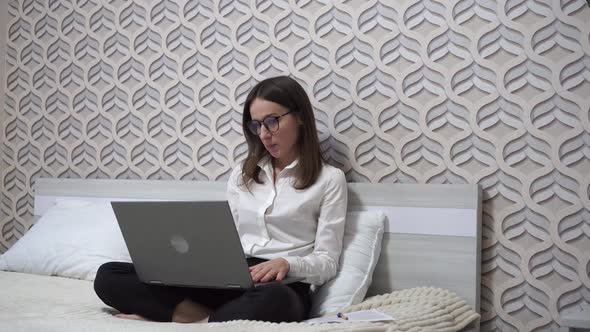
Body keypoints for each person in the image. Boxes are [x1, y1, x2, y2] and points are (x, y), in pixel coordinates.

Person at [93, 76, 348, 323]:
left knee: (276, 298)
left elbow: (327, 262)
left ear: (301, 116)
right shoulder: (243, 174)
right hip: (231, 279)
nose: (264, 134)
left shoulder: (329, 179)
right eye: (256, 125)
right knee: (108, 275)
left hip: (281, 286)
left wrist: (286, 264)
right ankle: (204, 317)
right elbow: (228, 237)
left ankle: (184, 316)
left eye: (272, 121)